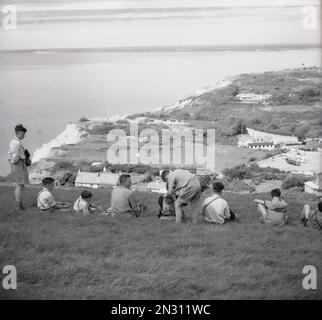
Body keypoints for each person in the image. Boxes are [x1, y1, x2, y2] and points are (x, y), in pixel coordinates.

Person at [8, 124, 31, 210]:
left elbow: (10, 156)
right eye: (22, 134)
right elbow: (15, 157)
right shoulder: (17, 143)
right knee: (20, 185)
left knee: (20, 185)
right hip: (18, 164)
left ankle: (19, 204)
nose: (24, 136)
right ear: (18, 133)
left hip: (17, 164)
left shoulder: (13, 141)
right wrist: (23, 160)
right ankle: (18, 206)